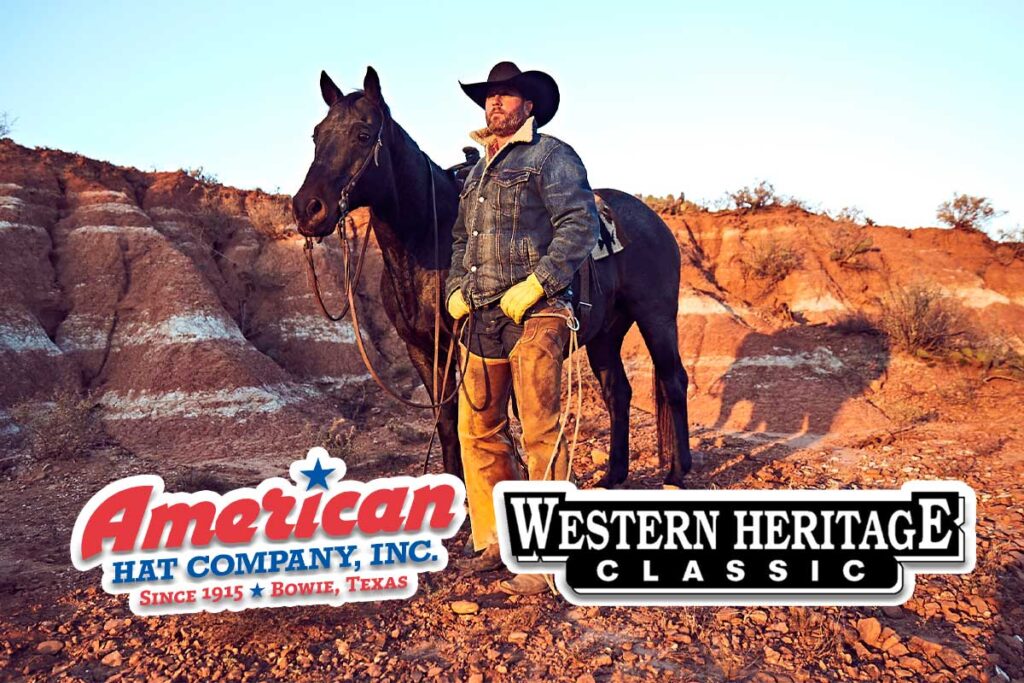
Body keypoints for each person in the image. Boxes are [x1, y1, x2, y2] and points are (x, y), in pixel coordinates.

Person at [444, 61, 600, 595]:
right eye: (490, 97)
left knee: (539, 430)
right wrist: (454, 291)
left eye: (507, 97)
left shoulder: (551, 156)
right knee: (478, 429)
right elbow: (462, 240)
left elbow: (580, 223)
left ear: (529, 105)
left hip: (538, 311)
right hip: (483, 314)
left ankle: (544, 559)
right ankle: (494, 539)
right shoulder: (477, 171)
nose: (495, 104)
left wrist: (536, 285)